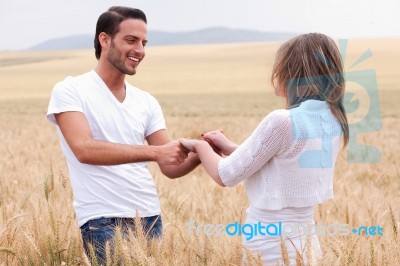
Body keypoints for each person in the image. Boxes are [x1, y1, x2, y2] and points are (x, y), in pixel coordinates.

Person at [47, 6, 200, 264]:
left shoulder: (146, 101)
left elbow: (170, 165)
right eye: (131, 40)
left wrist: (202, 152)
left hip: (150, 218)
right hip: (102, 220)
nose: (140, 50)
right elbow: (83, 149)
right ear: (104, 39)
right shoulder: (71, 90)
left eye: (143, 42)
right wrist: (155, 152)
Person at [179, 33, 349, 265]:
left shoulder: (282, 120)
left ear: (291, 72)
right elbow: (283, 162)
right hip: (307, 246)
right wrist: (230, 147)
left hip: (269, 244)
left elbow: (225, 175)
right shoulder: (333, 120)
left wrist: (198, 146)